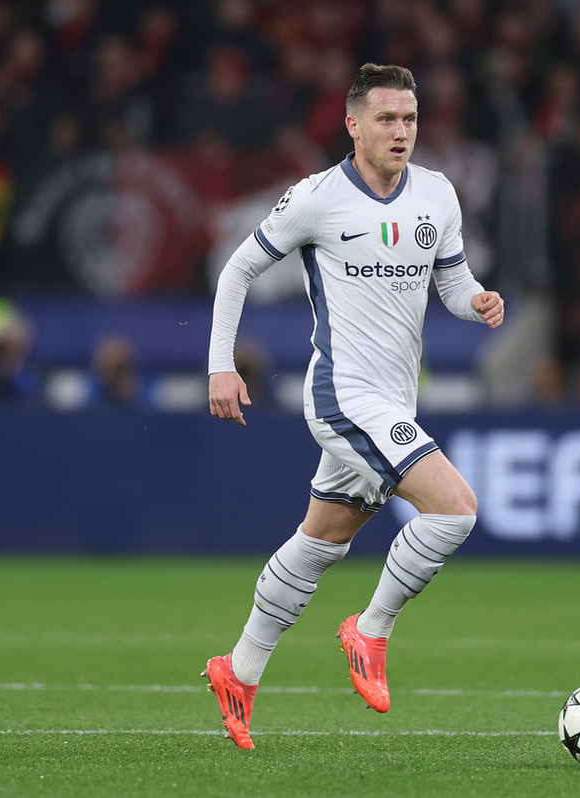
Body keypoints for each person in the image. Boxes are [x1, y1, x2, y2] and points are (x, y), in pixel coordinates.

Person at [201, 63, 505, 750]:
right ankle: (370, 629)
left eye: (410, 120)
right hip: (343, 394)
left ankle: (238, 669)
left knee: (323, 540)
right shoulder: (316, 198)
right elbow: (237, 268)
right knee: (455, 508)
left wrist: (477, 300)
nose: (402, 132)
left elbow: (452, 284)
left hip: (394, 397)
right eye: (388, 119)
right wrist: (221, 364)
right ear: (354, 124)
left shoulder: (437, 194)